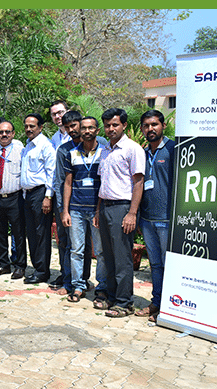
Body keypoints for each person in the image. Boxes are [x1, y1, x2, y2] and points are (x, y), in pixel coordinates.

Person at [96, 108, 145, 318]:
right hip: (105, 207)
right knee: (108, 256)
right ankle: (112, 297)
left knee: (122, 257)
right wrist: (98, 210)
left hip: (122, 208)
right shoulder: (105, 150)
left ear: (123, 125)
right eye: (107, 125)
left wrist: (132, 213)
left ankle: (125, 303)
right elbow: (102, 182)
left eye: (115, 125)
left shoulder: (132, 149)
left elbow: (138, 182)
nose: (111, 129)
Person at [135, 109, 175, 323]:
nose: (150, 129)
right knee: (156, 265)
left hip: (167, 219)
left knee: (169, 264)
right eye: (146, 126)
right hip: (148, 219)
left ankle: (169, 309)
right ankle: (157, 302)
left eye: (154, 124)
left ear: (163, 126)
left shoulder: (173, 149)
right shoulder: (142, 152)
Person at [61, 116, 106, 303]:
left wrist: (98, 210)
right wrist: (65, 211)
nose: (87, 131)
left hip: (96, 210)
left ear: (97, 130)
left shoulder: (105, 152)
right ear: (80, 130)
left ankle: (101, 287)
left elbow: (105, 183)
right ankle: (78, 286)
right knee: (76, 250)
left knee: (101, 252)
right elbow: (68, 183)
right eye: (84, 128)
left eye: (91, 128)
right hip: (76, 210)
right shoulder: (72, 153)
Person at [0, 120, 27, 279]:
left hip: (15, 198)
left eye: (7, 132)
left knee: (19, 234)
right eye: (1, 132)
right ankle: (4, 265)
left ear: (13, 133)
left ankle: (20, 266)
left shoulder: (20, 149)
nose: (4, 134)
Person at [20, 113, 56, 284]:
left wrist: (48, 197)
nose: (28, 129)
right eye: (26, 126)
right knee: (32, 233)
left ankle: (42, 271)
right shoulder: (28, 146)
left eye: (32, 126)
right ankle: (37, 268)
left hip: (41, 194)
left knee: (41, 233)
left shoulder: (45, 146)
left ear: (40, 127)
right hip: (28, 195)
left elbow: (51, 173)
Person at [49, 100, 73, 288]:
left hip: (79, 197)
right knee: (63, 239)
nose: (58, 116)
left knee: (79, 241)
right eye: (54, 114)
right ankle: (66, 274)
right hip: (59, 196)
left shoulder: (80, 136)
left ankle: (78, 277)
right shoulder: (53, 140)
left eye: (61, 112)